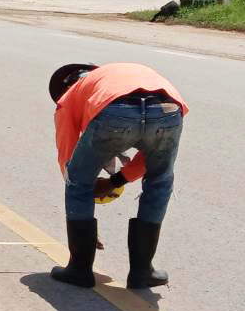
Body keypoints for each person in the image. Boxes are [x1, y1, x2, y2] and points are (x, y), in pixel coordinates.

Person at [48, 62, 187, 289]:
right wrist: (116, 181)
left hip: (115, 110)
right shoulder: (109, 76)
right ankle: (142, 272)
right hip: (168, 108)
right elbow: (148, 161)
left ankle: (79, 269)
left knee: (78, 183)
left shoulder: (69, 97)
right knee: (159, 181)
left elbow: (68, 158)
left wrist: (82, 218)